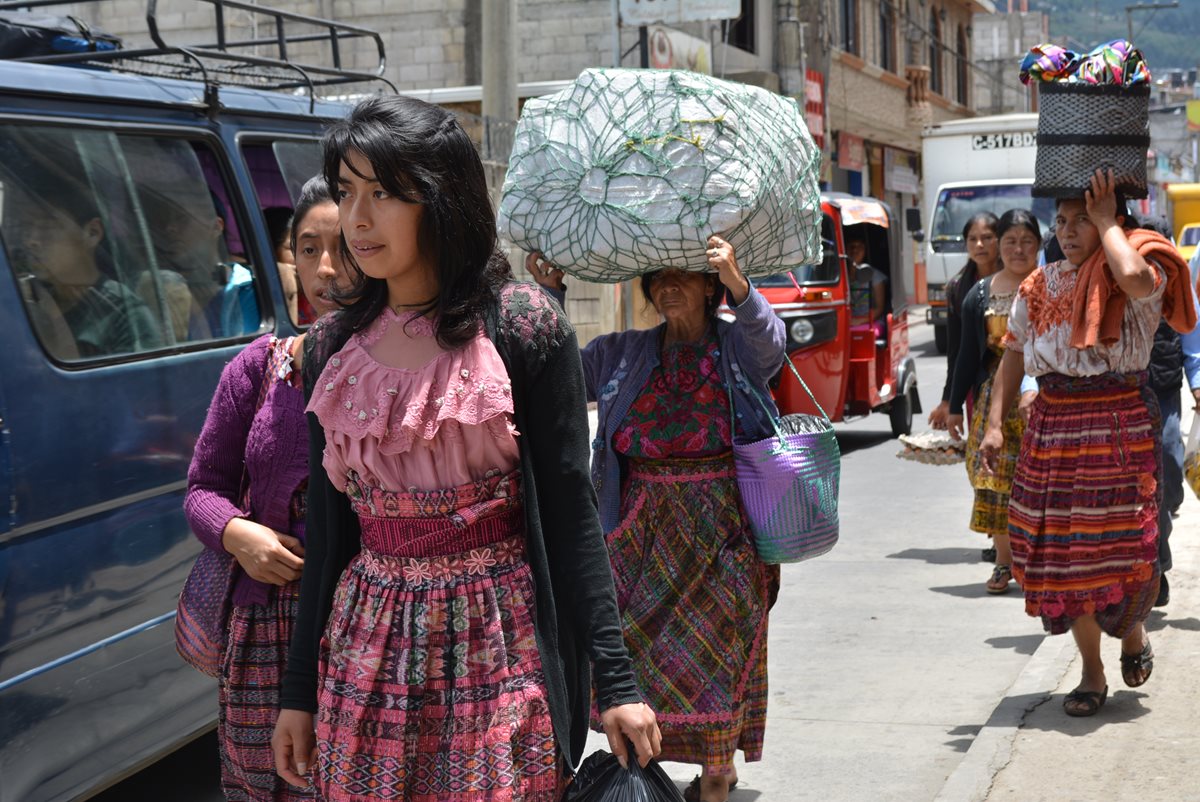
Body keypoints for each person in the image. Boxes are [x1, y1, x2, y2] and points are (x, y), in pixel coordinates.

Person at [271, 96, 660, 802]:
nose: (357, 218)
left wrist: (617, 680)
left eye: (384, 193)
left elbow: (574, 516)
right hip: (368, 653)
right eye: (348, 190)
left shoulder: (521, 328)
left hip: (499, 648)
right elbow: (328, 540)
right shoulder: (331, 348)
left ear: (441, 198)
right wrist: (299, 691)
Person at [529, 239, 783, 802]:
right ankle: (653, 772)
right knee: (641, 656)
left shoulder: (736, 347)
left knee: (720, 651)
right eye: (658, 277)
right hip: (640, 532)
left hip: (724, 532)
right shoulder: (621, 352)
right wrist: (549, 297)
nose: (669, 286)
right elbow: (557, 375)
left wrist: (740, 284)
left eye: (685, 276)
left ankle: (715, 776)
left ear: (709, 286)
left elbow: (771, 347)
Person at [982, 169, 1196, 717]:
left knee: (1123, 549)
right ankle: (1092, 671)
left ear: (1113, 221)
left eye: (1082, 219)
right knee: (1062, 553)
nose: (1069, 230)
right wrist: (991, 423)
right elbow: (1013, 351)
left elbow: (1137, 282)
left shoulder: (1143, 261)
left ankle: (1130, 635)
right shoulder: (1039, 282)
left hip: (1118, 422)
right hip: (1053, 428)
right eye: (1064, 221)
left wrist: (1107, 225)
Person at [185, 176, 349, 801]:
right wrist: (238, 534)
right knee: (266, 785)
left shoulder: (402, 370)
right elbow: (202, 488)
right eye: (308, 249)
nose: (326, 269)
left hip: (362, 625)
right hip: (263, 627)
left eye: (342, 248)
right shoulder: (256, 368)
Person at [946, 210, 1041, 594]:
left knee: (1039, 482)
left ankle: (1040, 563)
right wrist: (954, 405)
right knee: (994, 480)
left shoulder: (1051, 285)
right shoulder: (980, 294)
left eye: (1027, 241)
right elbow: (965, 354)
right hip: (994, 401)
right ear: (1000, 246)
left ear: (1039, 244)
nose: (1018, 249)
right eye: (1010, 241)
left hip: (1042, 399)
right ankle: (1004, 562)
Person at [8, 184, 162, 358]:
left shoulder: (124, 315)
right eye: (27, 228)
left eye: (47, 227)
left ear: (92, 233)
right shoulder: (24, 299)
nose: (31, 241)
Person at [928, 213, 1000, 431]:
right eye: (972, 239)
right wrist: (949, 400)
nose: (980, 244)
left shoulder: (1018, 279)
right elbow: (956, 349)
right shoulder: (958, 288)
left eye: (987, 237)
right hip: (978, 383)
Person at [846, 231, 888, 329]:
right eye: (851, 246)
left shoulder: (875, 275)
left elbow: (879, 308)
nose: (855, 250)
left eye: (859, 247)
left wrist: (859, 321)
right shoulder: (839, 275)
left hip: (871, 321)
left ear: (864, 250)